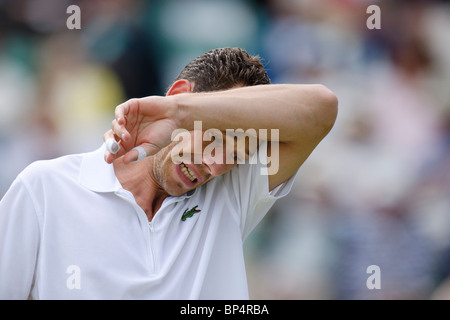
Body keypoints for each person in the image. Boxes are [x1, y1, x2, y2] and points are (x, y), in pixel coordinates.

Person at [0, 47, 337, 299]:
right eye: (213, 138)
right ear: (177, 95)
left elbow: (321, 108)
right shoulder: (43, 187)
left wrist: (177, 115)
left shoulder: (232, 190)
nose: (216, 165)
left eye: (237, 155)